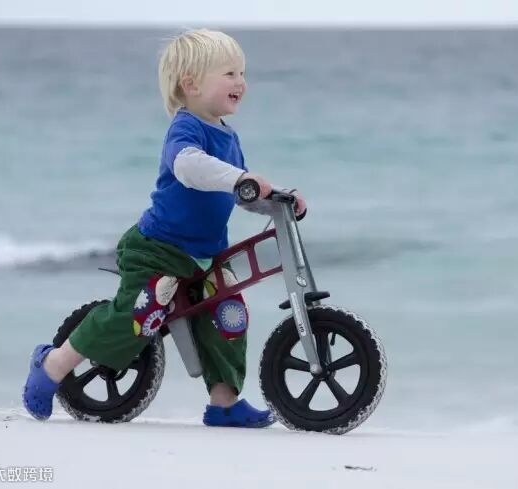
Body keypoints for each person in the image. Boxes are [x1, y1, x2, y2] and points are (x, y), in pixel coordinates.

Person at [22, 28, 306, 428]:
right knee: (142, 311)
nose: (241, 82)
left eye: (242, 73)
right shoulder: (185, 128)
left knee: (229, 313)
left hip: (205, 255)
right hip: (157, 248)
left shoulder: (229, 137)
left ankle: (223, 403)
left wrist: (277, 199)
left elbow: (239, 193)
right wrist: (240, 177)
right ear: (191, 84)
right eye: (229, 73)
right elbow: (189, 167)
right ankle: (53, 363)